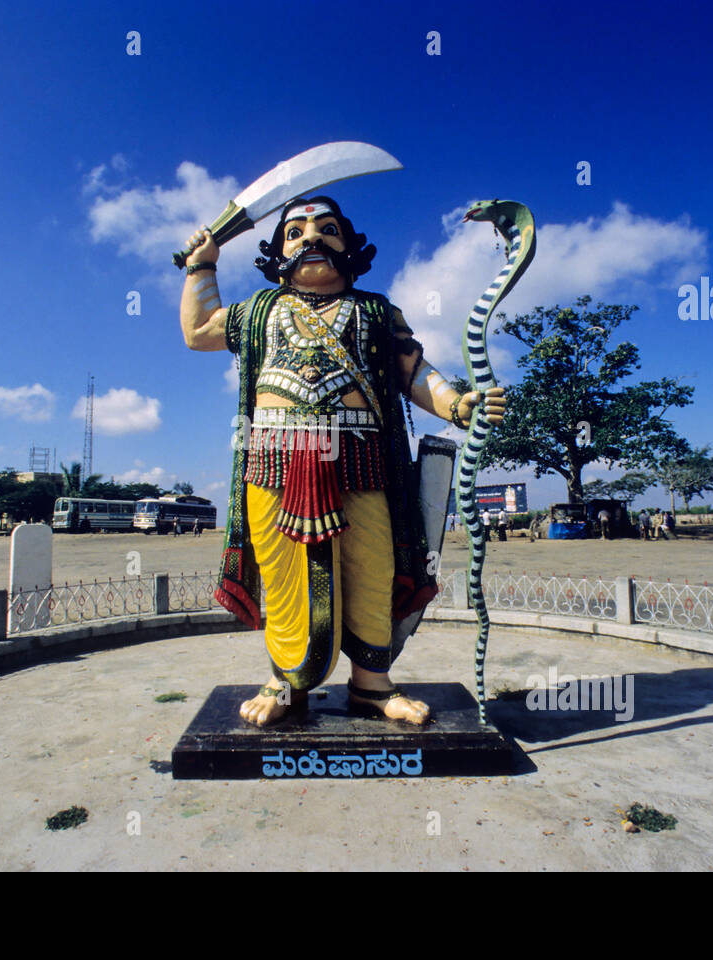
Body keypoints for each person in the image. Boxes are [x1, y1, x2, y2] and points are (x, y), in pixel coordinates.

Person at [181, 196, 505, 727]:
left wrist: (456, 404)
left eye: (328, 228)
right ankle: (286, 683)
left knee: (372, 570)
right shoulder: (258, 311)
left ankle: (372, 686)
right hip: (277, 463)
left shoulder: (376, 311)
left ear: (350, 246)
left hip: (362, 460)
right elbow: (197, 333)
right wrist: (202, 264)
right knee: (282, 575)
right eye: (296, 231)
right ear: (276, 252)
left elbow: (413, 370)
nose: (312, 238)